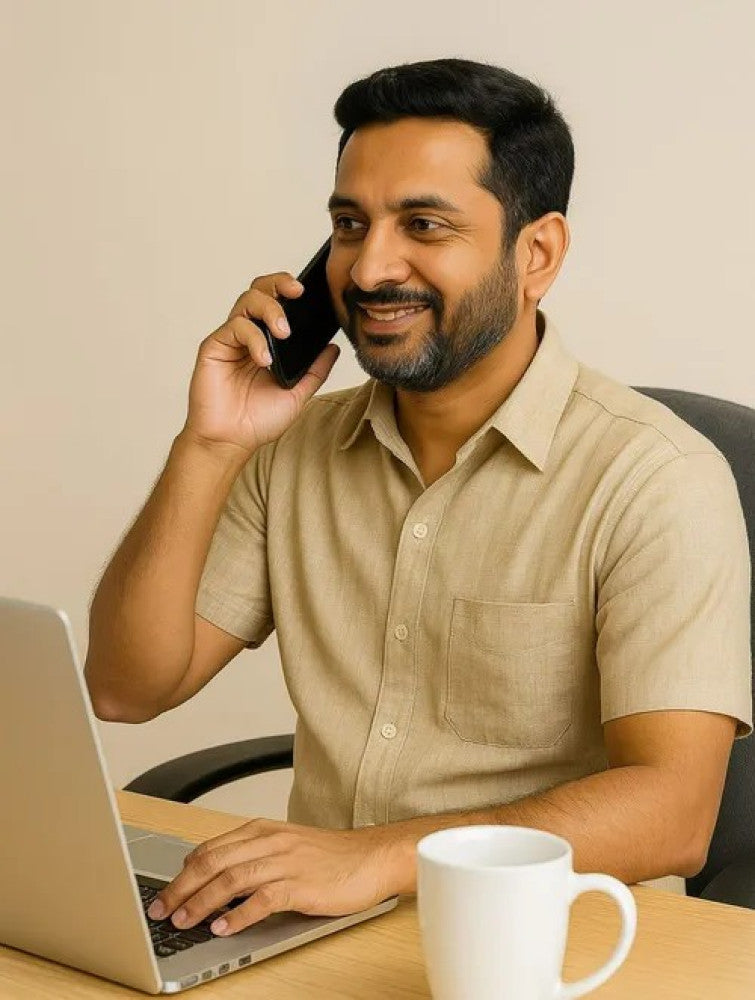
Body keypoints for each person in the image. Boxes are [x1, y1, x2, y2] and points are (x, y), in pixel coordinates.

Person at [85, 58, 752, 939]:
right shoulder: (292, 450)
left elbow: (672, 813)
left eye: (424, 225)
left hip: (550, 947)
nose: (367, 270)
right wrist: (208, 444)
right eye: (349, 225)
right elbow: (127, 689)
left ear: (537, 252)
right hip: (306, 927)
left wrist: (375, 857)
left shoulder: (655, 477)